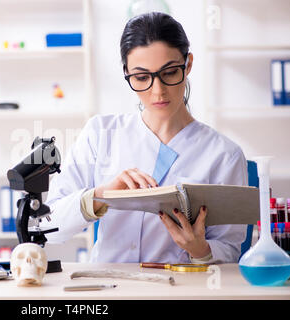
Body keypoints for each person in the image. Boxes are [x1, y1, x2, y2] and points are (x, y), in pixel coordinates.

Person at [40, 12, 247, 264]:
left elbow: (229, 250)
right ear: (126, 72)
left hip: (177, 291)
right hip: (107, 289)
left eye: (170, 73)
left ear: (188, 64)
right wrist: (99, 196)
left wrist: (200, 250)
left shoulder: (224, 155)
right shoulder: (100, 134)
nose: (157, 91)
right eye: (141, 77)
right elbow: (47, 227)